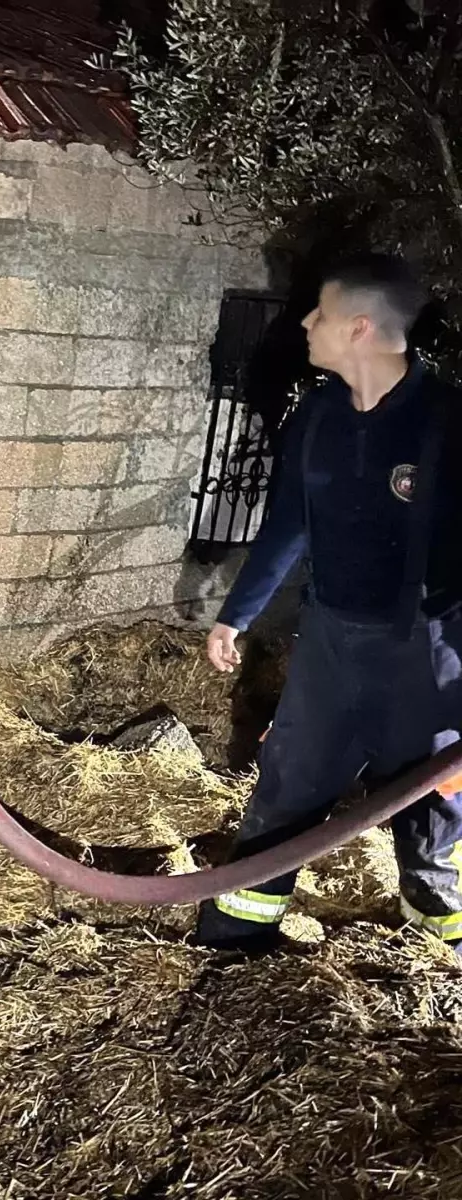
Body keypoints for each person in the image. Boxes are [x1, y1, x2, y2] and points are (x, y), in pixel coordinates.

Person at [197, 254, 462, 952]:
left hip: (427, 656)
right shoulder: (316, 416)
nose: (306, 324)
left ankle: (439, 951)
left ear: (360, 328)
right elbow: (289, 521)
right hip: (328, 647)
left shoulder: (448, 423)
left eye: (319, 312)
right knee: (284, 794)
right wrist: (238, 613)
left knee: (432, 811)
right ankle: (232, 944)